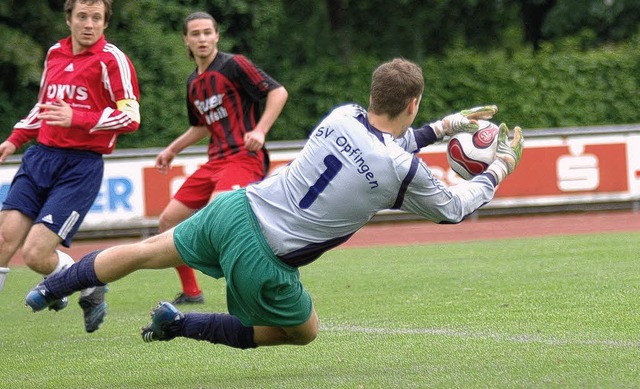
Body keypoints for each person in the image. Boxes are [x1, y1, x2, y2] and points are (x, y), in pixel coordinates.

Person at [25, 58, 523, 349]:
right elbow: (453, 207)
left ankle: (53, 286)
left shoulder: (341, 116)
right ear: (413, 102)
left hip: (235, 208)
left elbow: (386, 145)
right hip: (264, 256)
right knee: (301, 332)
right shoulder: (401, 168)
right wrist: (499, 165)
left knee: (145, 251)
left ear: (373, 94)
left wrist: (446, 127)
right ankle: (180, 323)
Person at [0, 0, 140, 333]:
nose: (89, 24)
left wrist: (77, 117)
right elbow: (44, 107)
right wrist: (15, 139)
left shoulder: (112, 61)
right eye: (82, 17)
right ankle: (74, 284)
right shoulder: (54, 54)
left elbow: (131, 117)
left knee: (35, 255)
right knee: (4, 240)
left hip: (80, 166)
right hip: (40, 157)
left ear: (105, 22)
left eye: (96, 18)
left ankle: (85, 285)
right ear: (69, 19)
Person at [154, 11, 288, 305]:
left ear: (217, 35)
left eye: (207, 33)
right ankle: (192, 292)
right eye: (195, 34)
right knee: (167, 221)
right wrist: (172, 149)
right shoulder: (193, 82)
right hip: (215, 161)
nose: (202, 39)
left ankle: (262, 284)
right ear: (186, 40)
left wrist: (261, 131)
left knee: (220, 216)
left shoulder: (234, 64)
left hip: (244, 157)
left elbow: (278, 92)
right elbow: (202, 126)